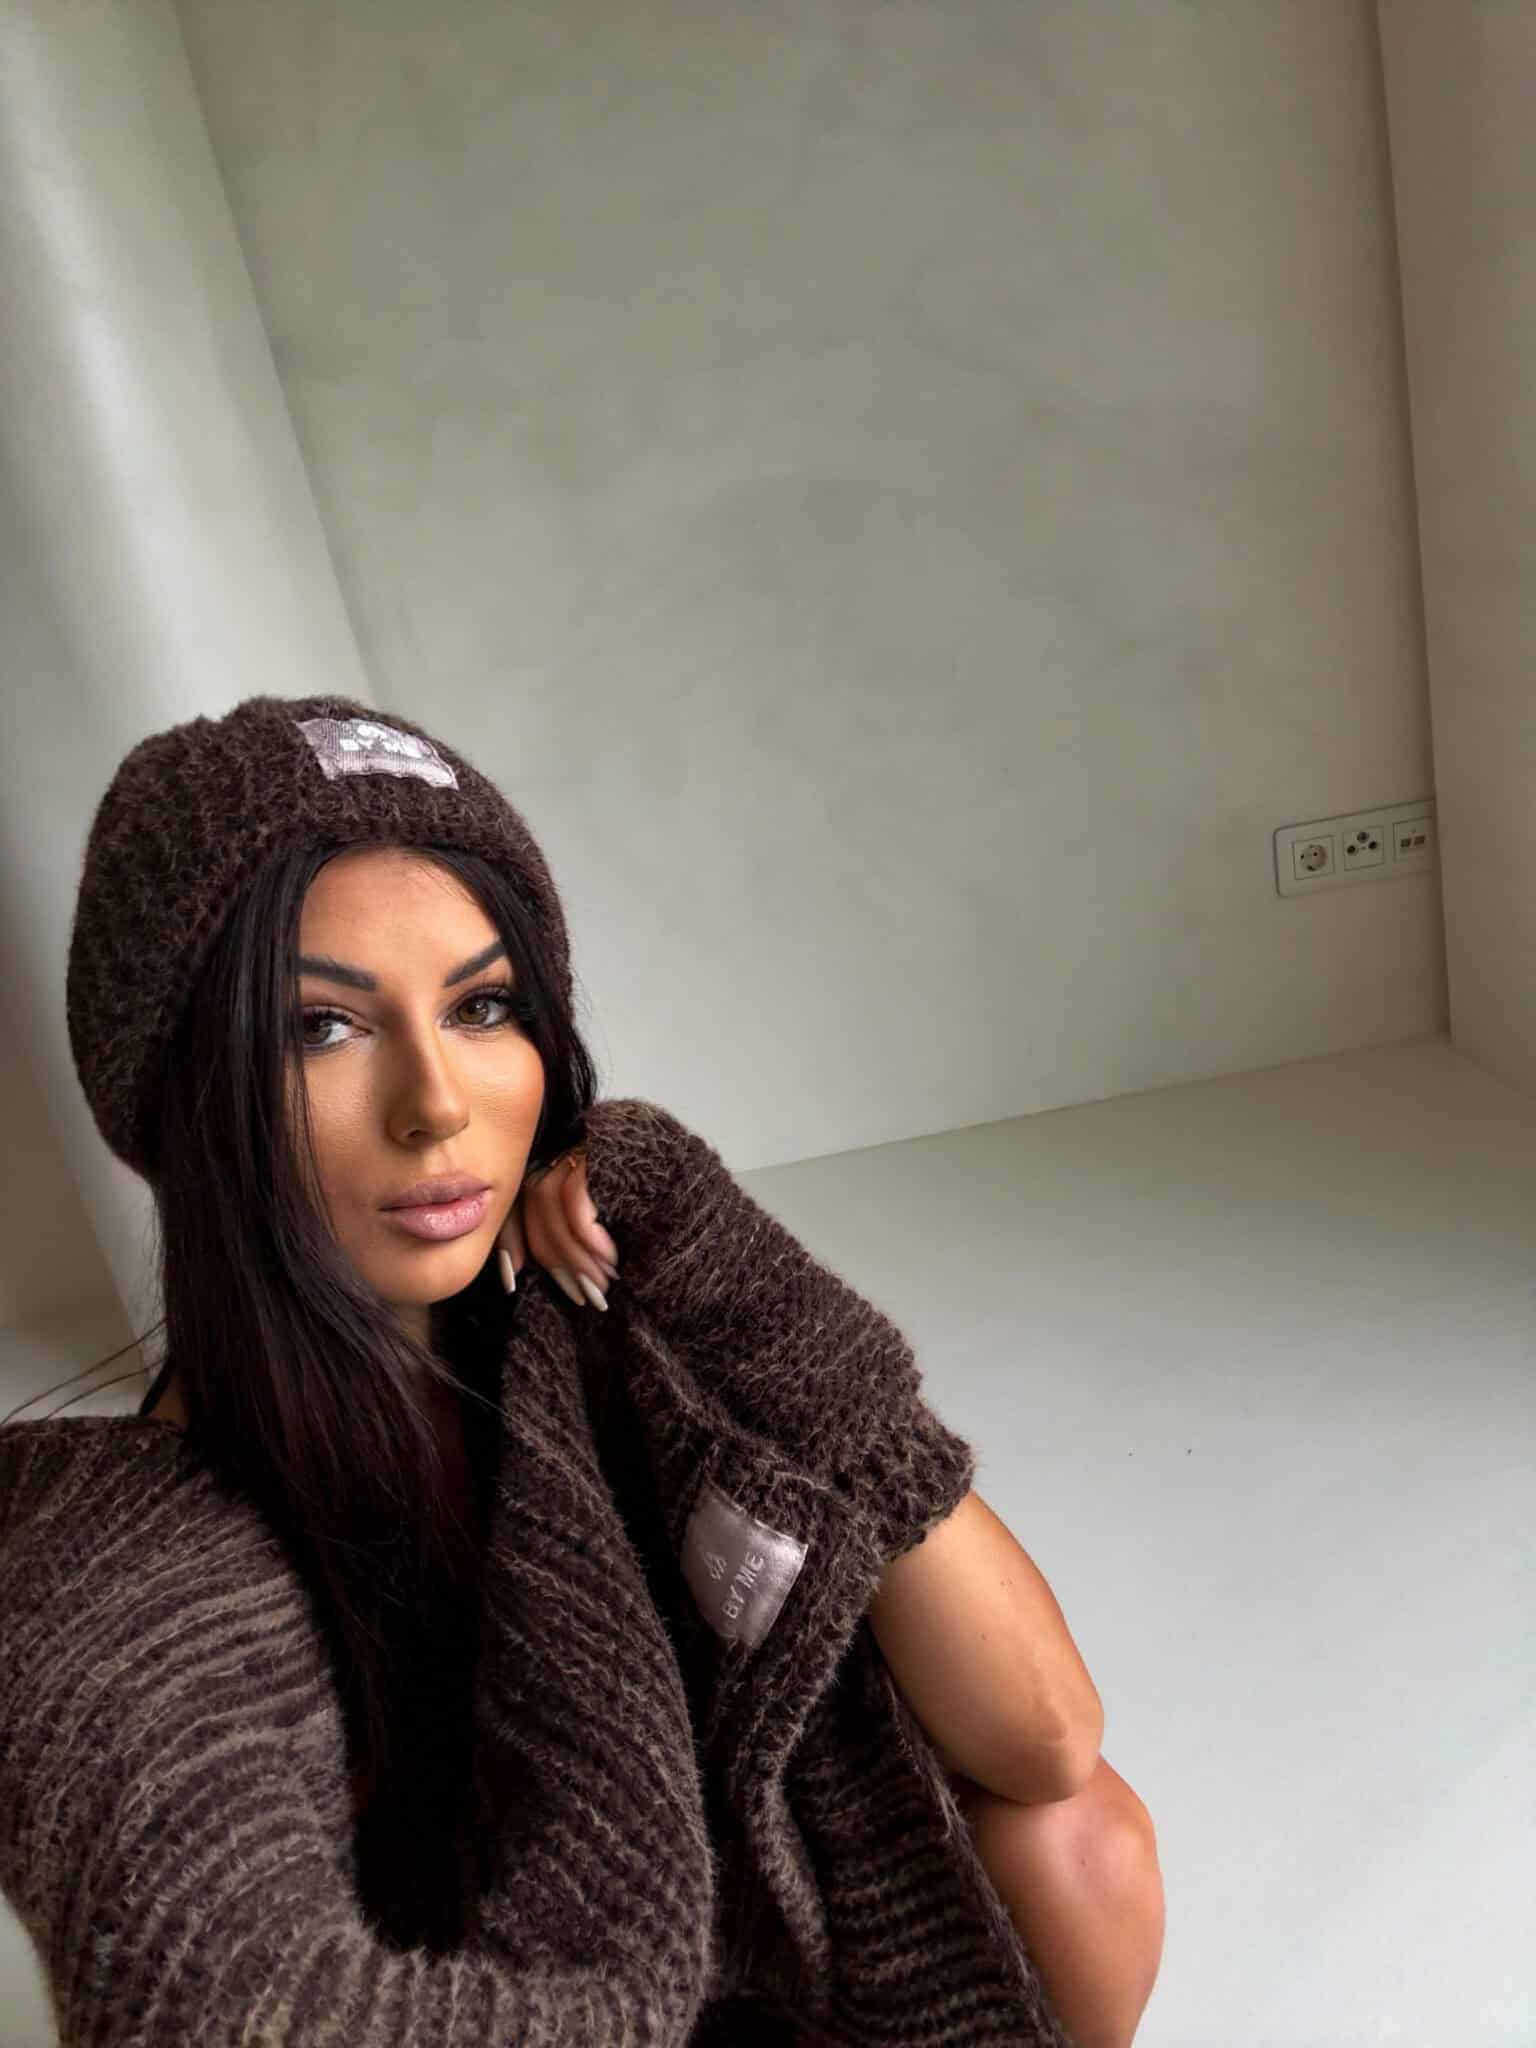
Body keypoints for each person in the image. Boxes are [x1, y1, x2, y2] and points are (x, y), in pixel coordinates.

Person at [0, 694, 1156, 2045]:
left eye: (482, 1006)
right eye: (320, 1027)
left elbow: (1045, 1738)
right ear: (183, 1094)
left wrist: (755, 1291)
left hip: (738, 1966)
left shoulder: (597, 1330)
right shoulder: (111, 1567)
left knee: (1083, 1849)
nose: (438, 1105)